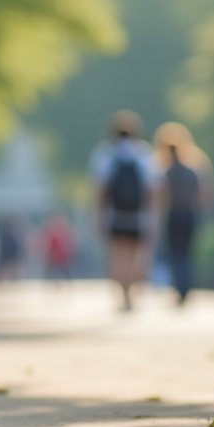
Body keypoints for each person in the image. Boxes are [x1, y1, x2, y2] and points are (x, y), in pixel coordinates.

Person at [89, 110, 157, 311]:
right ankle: (134, 295)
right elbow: (151, 189)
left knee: (118, 256)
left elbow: (101, 189)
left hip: (115, 215)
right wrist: (152, 215)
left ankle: (123, 297)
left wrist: (99, 215)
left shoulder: (105, 153)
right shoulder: (144, 153)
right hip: (138, 215)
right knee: (136, 256)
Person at [152, 122, 214, 305]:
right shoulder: (193, 169)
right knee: (187, 253)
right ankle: (186, 288)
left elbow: (159, 197)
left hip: (173, 215)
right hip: (190, 214)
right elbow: (206, 194)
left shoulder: (165, 171)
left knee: (176, 253)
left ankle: (180, 289)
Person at [41, 212, 76, 283]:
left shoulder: (55, 233)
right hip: (61, 256)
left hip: (58, 256)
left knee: (54, 271)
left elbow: (50, 246)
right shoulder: (64, 232)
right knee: (61, 271)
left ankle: (50, 282)